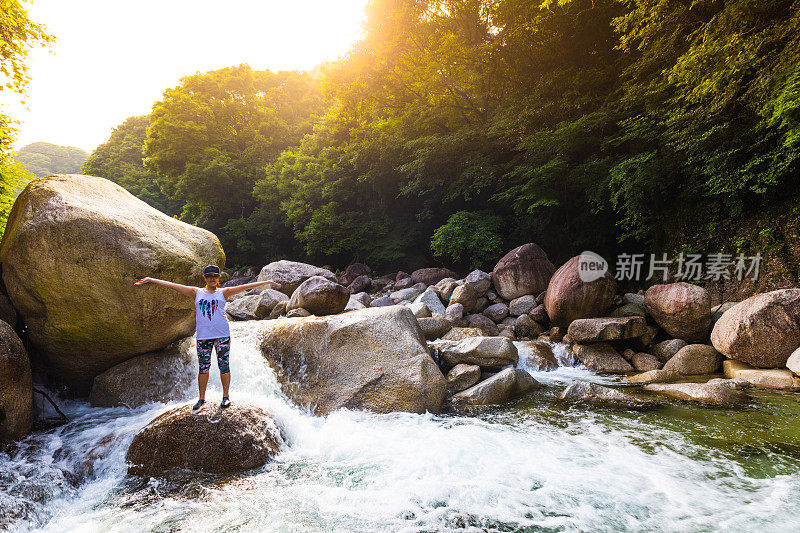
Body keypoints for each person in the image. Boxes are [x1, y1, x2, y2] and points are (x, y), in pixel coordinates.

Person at [134, 265, 280, 409]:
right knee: (203, 368)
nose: (212, 279)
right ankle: (201, 398)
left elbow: (245, 286)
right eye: (209, 276)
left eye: (215, 276)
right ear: (204, 278)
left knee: (224, 366)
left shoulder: (224, 292)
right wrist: (151, 279)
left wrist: (266, 282)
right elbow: (173, 286)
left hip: (222, 335)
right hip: (203, 337)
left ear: (219, 278)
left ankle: (225, 396)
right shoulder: (196, 292)